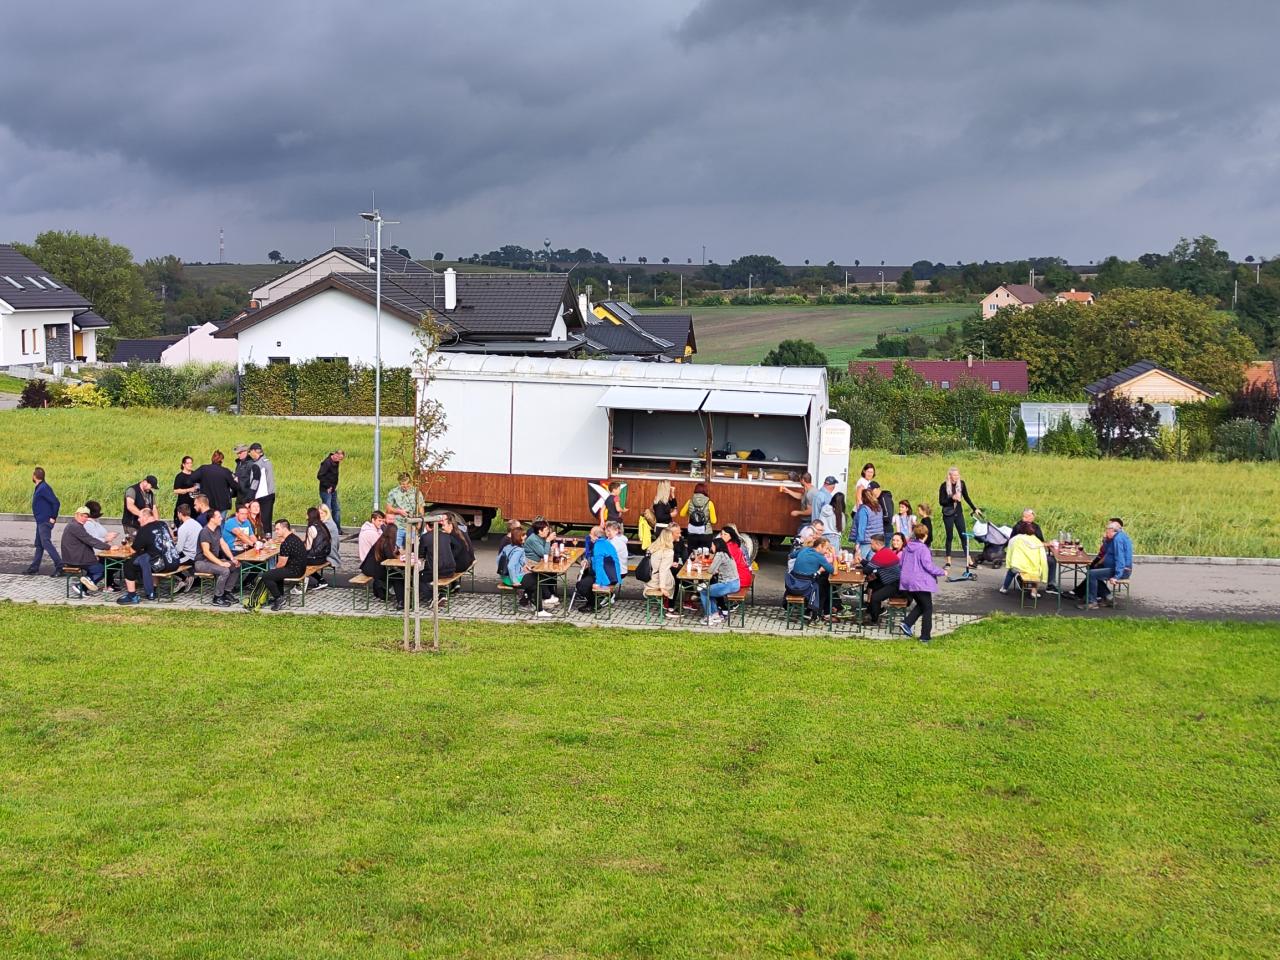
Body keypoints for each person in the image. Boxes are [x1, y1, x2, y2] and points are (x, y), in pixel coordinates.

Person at [116, 507, 181, 604]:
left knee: (129, 565)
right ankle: (153, 589)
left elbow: (133, 550)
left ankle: (132, 596)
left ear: (145, 517)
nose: (138, 520)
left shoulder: (144, 530)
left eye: (139, 517)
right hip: (175, 561)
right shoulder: (163, 524)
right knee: (147, 558)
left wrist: (125, 547)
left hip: (162, 565)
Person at [898, 522, 946, 642]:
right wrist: (942, 572)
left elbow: (901, 564)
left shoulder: (907, 548)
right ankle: (925, 636)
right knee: (928, 608)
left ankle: (907, 623)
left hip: (907, 582)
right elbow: (928, 566)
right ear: (925, 535)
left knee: (921, 604)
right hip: (920, 583)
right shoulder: (923, 549)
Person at [499, 527, 555, 616]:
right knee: (539, 578)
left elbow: (499, 560)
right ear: (519, 537)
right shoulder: (519, 550)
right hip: (513, 579)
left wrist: (524, 566)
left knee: (534, 582)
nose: (525, 536)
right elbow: (510, 566)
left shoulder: (507, 547)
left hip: (505, 577)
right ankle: (541, 606)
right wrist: (514, 581)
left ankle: (530, 602)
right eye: (523, 535)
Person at [1081, 520, 1133, 610]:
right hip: (1116, 568)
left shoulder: (1118, 539)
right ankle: (1108, 597)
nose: (1106, 532)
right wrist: (1106, 540)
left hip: (1122, 570)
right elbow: (1108, 551)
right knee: (1093, 571)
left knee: (1091, 574)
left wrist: (1117, 576)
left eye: (1107, 530)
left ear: (1111, 530)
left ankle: (1092, 602)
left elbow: (1120, 558)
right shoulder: (1118, 537)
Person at [195, 508, 240, 607]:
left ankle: (226, 592)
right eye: (219, 517)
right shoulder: (205, 532)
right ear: (212, 519)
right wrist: (221, 563)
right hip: (202, 562)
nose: (221, 518)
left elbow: (223, 544)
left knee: (236, 566)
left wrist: (232, 558)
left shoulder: (218, 529)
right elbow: (206, 552)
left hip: (213, 561)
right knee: (225, 570)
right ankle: (217, 597)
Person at [260, 520, 307, 612]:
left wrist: (273, 571)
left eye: (277, 529)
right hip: (301, 568)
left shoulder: (286, 543)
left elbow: (281, 564)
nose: (276, 531)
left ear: (285, 529)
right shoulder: (294, 538)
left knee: (266, 576)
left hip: (294, 570)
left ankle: (279, 598)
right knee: (276, 573)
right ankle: (280, 595)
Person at [60, 505, 108, 596]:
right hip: (75, 559)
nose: (84, 518)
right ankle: (81, 586)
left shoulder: (74, 524)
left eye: (86, 517)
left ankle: (85, 584)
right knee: (102, 569)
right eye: (81, 516)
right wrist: (108, 547)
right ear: (76, 515)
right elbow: (90, 540)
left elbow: (88, 541)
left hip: (74, 557)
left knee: (99, 564)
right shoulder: (75, 527)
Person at [785, 536, 835, 619]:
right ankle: (816, 614)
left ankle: (813, 611)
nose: (827, 551)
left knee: (821, 581)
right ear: (820, 546)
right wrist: (834, 555)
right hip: (805, 588)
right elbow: (833, 571)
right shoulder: (819, 557)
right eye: (826, 548)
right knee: (824, 586)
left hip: (792, 584)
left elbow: (790, 556)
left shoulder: (804, 549)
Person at [572, 526, 619, 613]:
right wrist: (588, 562)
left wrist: (597, 583)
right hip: (608, 573)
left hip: (607, 576)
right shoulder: (602, 543)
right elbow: (596, 561)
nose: (589, 535)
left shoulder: (599, 546)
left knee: (581, 585)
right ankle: (593, 601)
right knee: (582, 576)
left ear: (597, 537)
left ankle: (594, 605)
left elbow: (599, 566)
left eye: (591, 534)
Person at [938, 467, 977, 570]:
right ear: (949, 475)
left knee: (963, 536)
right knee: (949, 536)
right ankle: (948, 561)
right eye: (954, 475)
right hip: (948, 514)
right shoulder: (944, 486)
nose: (955, 477)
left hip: (958, 513)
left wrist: (975, 508)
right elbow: (941, 502)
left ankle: (969, 560)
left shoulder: (961, 484)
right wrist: (952, 498)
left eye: (957, 475)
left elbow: (966, 497)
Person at [27, 466, 63, 576]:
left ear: (34, 476)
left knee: (46, 543)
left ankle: (60, 566)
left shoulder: (44, 488)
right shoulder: (40, 487)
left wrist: (53, 517)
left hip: (45, 521)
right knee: (39, 544)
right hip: (40, 521)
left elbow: (56, 502)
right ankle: (34, 567)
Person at [697, 537, 741, 625]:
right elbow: (717, 569)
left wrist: (705, 569)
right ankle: (715, 614)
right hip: (735, 583)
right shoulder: (726, 554)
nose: (711, 547)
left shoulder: (719, 554)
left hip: (728, 584)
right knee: (710, 591)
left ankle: (708, 617)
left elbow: (711, 571)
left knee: (703, 591)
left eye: (712, 545)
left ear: (716, 546)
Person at [862, 534, 903, 625]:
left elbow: (867, 570)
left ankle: (874, 620)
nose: (870, 546)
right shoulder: (885, 551)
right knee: (873, 584)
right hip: (891, 581)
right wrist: (861, 561)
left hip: (896, 584)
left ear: (877, 544)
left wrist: (860, 563)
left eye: (872, 544)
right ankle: (871, 610)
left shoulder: (881, 554)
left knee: (875, 597)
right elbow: (871, 565)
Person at [1001, 521, 1048, 599]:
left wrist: (1010, 563)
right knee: (1036, 573)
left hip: (1016, 565)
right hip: (1031, 568)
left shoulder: (1014, 539)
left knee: (1010, 572)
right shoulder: (1035, 540)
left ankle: (1004, 588)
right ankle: (1033, 592)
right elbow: (1041, 553)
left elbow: (1009, 551)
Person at [361, 523, 402, 608]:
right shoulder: (386, 543)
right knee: (397, 576)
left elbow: (394, 552)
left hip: (371, 567)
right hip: (373, 569)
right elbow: (390, 558)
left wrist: (396, 551)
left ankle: (382, 590)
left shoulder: (383, 540)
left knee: (397, 574)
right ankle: (401, 601)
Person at [646, 526, 680, 619]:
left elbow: (656, 562)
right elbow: (663, 571)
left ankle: (669, 605)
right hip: (656, 581)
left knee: (675, 572)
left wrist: (670, 564)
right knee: (676, 580)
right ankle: (670, 608)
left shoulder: (653, 547)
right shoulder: (668, 551)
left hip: (650, 577)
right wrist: (662, 587)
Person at [172, 503, 203, 593]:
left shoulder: (183, 528)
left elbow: (179, 549)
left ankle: (183, 579)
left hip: (190, 556)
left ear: (180, 513)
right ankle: (190, 577)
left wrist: (171, 550)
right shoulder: (197, 524)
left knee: (168, 562)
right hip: (199, 553)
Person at [385, 473, 420, 547]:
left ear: (411, 482)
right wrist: (399, 511)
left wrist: (419, 523)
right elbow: (388, 509)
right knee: (396, 548)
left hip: (412, 526)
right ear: (399, 483)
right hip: (398, 526)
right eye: (403, 484)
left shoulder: (416, 492)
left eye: (408, 484)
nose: (406, 486)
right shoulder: (394, 492)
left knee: (412, 549)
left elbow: (421, 508)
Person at [247, 443, 277, 528]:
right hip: (270, 494)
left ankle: (261, 535)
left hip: (261, 496)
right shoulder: (267, 461)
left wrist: (250, 497)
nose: (250, 454)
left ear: (253, 451)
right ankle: (268, 534)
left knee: (261, 520)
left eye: (250, 452)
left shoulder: (257, 464)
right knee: (267, 520)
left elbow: (255, 481)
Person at [680, 482, 717, 553]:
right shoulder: (709, 503)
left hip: (692, 532)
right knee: (705, 554)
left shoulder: (690, 501)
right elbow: (713, 521)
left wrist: (690, 514)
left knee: (692, 554)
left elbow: (682, 514)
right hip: (706, 533)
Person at [302, 506, 332, 590]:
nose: (305, 515)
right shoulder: (322, 525)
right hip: (323, 557)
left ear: (310, 515)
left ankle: (300, 585)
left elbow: (308, 547)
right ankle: (321, 580)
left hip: (315, 558)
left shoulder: (311, 528)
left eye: (307, 514)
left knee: (297, 560)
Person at [317, 449, 345, 532]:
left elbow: (334, 476)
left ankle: (337, 529)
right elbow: (320, 476)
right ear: (335, 455)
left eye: (341, 459)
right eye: (339, 458)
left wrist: (334, 486)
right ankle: (327, 529)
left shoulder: (336, 462)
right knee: (327, 510)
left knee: (336, 509)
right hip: (325, 490)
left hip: (333, 489)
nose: (339, 460)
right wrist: (327, 486)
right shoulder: (327, 463)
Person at [722, 525, 753, 600]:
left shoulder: (728, 547)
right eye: (721, 534)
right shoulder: (736, 544)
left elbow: (723, 566)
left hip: (739, 580)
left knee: (713, 587)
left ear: (731, 535)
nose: (722, 536)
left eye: (725, 534)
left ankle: (723, 603)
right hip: (746, 576)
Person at [853, 488, 885, 560]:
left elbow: (861, 528)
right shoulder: (879, 508)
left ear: (863, 498)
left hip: (866, 541)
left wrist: (858, 543)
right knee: (872, 563)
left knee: (858, 561)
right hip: (877, 540)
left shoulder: (864, 509)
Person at [173, 456, 198, 526]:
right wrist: (188, 490)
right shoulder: (180, 476)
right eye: (188, 463)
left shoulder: (195, 474)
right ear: (183, 464)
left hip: (194, 504)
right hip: (183, 504)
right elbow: (176, 491)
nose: (190, 465)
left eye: (191, 463)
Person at [319, 503, 341, 570]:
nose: (319, 515)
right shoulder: (331, 522)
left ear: (326, 513)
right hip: (332, 552)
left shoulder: (327, 525)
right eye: (318, 513)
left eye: (321, 513)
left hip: (330, 555)